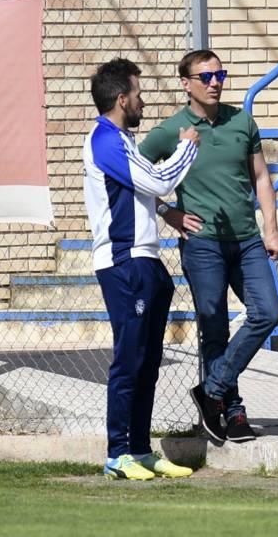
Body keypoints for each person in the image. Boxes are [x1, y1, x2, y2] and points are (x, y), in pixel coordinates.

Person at [139, 49, 278, 445]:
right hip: (202, 244)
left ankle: (213, 389)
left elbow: (261, 179)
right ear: (186, 84)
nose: (215, 82)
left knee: (267, 312)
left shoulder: (241, 121)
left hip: (247, 240)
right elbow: (135, 177)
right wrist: (168, 213)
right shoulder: (171, 131)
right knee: (213, 326)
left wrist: (271, 227)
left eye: (220, 75)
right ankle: (230, 412)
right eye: (206, 77)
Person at [84, 58, 198, 480]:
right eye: (137, 93)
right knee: (129, 359)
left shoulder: (124, 139)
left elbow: (144, 191)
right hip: (123, 262)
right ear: (121, 98)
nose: (142, 100)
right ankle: (117, 452)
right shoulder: (105, 140)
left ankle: (140, 448)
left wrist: (166, 213)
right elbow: (157, 181)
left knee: (148, 359)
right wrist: (187, 146)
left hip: (146, 260)